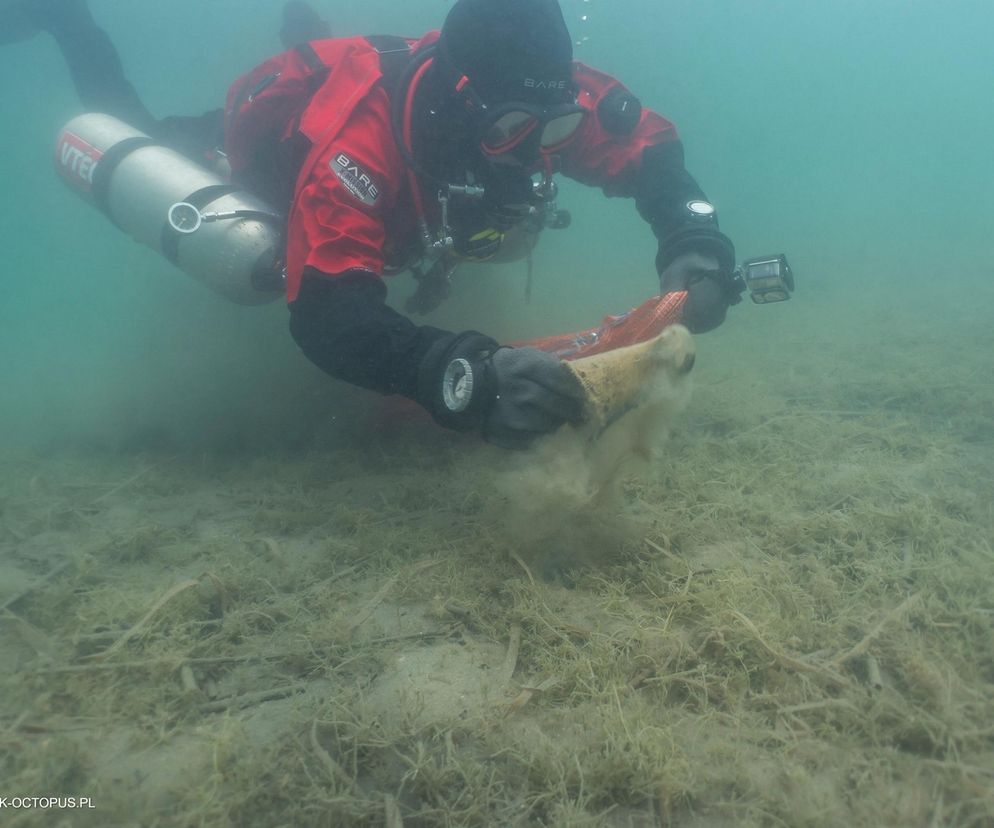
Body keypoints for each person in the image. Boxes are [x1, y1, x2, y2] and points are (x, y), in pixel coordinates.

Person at [7, 0, 741, 449]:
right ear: (456, 108)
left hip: (402, 195)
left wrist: (694, 242)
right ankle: (68, 18)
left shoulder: (539, 100)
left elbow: (648, 152)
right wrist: (463, 376)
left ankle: (306, 25)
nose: (530, 156)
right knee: (140, 132)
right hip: (259, 166)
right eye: (511, 128)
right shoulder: (360, 145)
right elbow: (328, 314)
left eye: (552, 131)